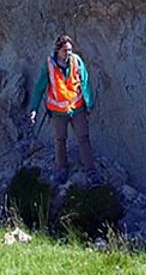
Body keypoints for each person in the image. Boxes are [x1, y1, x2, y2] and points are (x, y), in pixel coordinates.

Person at [28, 34, 96, 180]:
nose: (68, 53)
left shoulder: (76, 62)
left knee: (83, 138)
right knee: (60, 140)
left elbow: (85, 82)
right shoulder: (49, 65)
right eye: (65, 50)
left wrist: (89, 103)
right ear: (58, 50)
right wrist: (33, 108)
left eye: (70, 49)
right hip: (58, 112)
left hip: (77, 109)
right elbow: (40, 87)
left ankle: (90, 170)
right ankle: (61, 169)